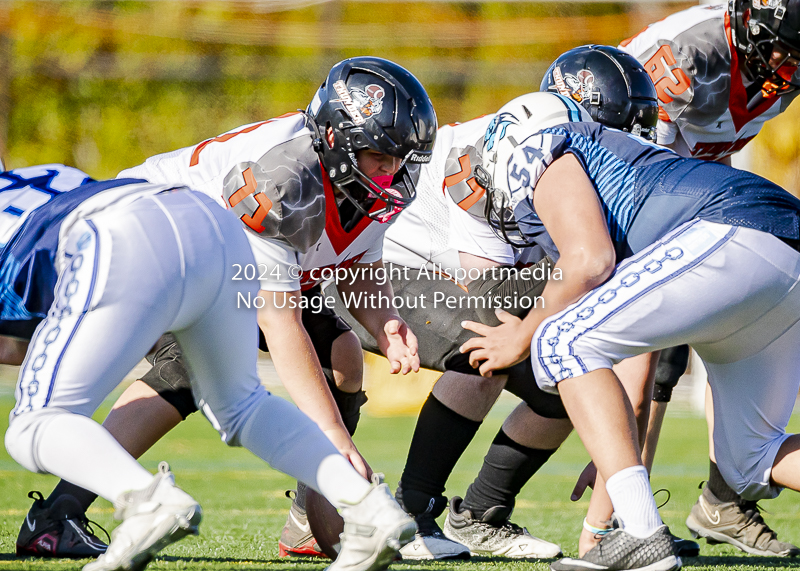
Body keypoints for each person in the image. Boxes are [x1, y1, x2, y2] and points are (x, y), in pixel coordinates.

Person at [13, 56, 438, 559]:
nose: (393, 171)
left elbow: (357, 262)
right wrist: (329, 437)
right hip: (155, 238)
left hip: (218, 251)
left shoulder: (365, 180)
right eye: (380, 155)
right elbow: (278, 319)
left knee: (339, 354)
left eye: (403, 158)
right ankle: (59, 511)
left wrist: (385, 321)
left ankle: (311, 515)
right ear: (335, 140)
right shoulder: (282, 177)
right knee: (190, 371)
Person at [329, 45, 697, 560]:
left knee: (566, 375)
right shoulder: (500, 153)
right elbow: (495, 292)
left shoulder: (571, 167)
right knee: (488, 338)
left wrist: (620, 456)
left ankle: (482, 513)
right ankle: (411, 511)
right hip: (374, 273)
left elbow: (621, 337)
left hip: (448, 278)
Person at [460, 89, 800, 571]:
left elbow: (587, 261)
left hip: (735, 234)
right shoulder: (625, 167)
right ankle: (634, 534)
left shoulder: (539, 148)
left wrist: (524, 333)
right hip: (782, 252)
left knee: (560, 339)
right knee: (748, 461)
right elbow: (634, 382)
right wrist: (607, 461)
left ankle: (641, 535)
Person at [619, 0, 800, 555]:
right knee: (654, 348)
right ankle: (625, 521)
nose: (790, 69)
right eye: (785, 52)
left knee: (732, 323)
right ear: (751, 31)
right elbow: (636, 159)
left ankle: (722, 503)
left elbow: (712, 150)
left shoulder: (774, 66)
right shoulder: (690, 54)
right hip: (622, 181)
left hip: (690, 180)